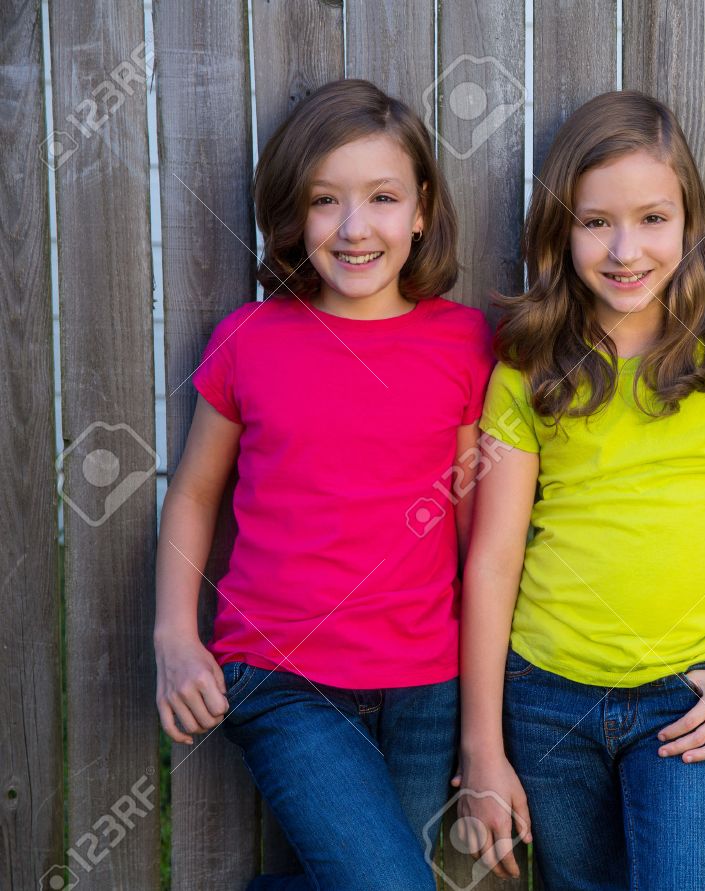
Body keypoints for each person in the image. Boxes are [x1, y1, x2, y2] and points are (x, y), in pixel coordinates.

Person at [456, 90, 705, 890]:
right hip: (547, 696)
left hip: (687, 700)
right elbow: (493, 556)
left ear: (689, 223)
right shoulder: (529, 366)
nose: (626, 249)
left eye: (653, 218)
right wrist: (482, 747)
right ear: (562, 230)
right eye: (596, 222)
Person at [152, 79, 495, 889]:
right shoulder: (249, 340)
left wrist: (491, 706)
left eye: (382, 197)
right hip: (282, 679)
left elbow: (476, 527)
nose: (353, 228)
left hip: (426, 685)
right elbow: (195, 494)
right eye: (324, 200)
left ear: (421, 211)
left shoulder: (465, 342)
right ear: (293, 215)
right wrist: (174, 635)